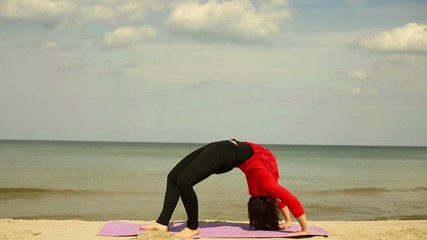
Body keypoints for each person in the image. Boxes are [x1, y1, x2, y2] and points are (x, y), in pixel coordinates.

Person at [141, 139, 308, 238]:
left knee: (184, 182)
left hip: (225, 152)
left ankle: (193, 227)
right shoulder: (267, 187)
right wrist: (301, 227)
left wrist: (291, 222)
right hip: (223, 149)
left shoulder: (267, 187)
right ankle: (162, 223)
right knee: (173, 176)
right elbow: (288, 199)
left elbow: (282, 199)